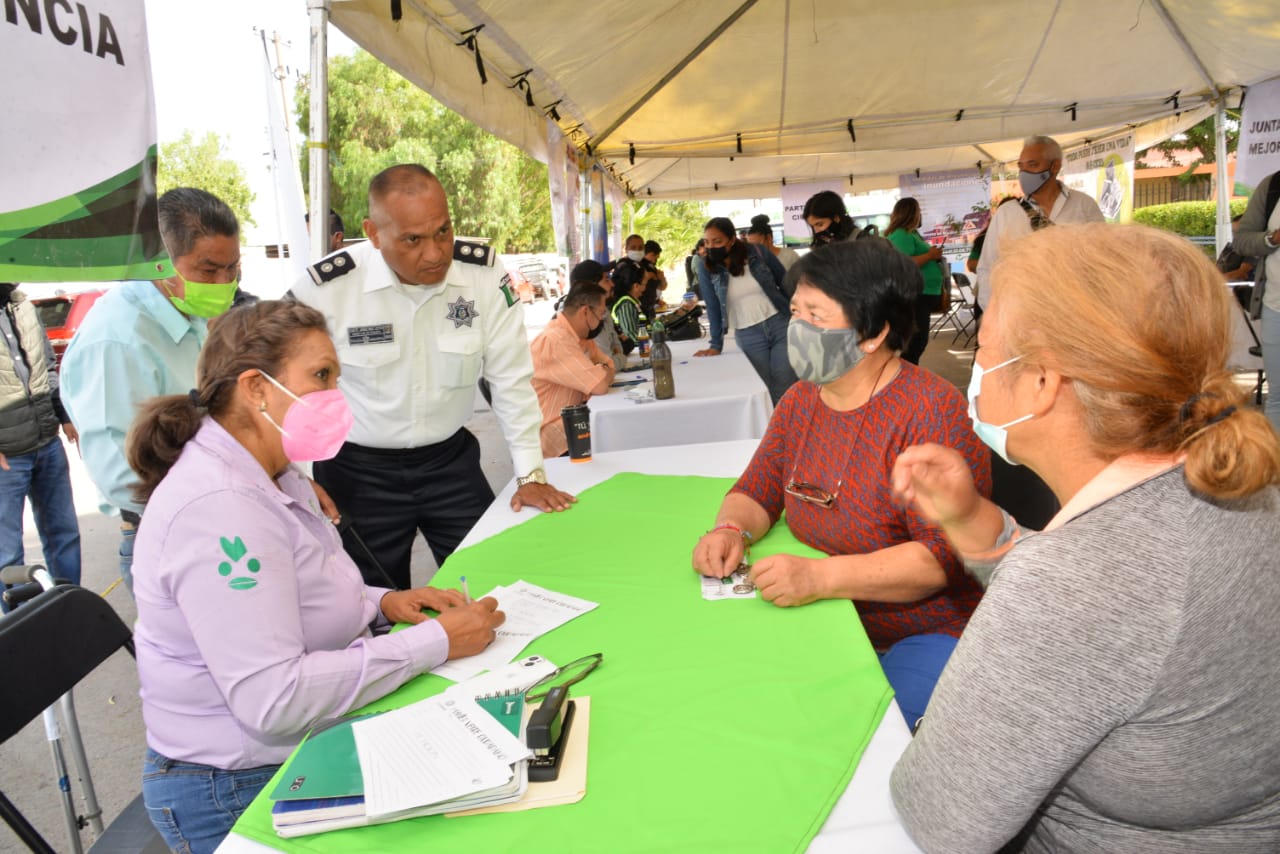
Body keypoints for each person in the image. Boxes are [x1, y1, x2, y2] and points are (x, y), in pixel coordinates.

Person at [889, 223, 1280, 852]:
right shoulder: (1240, 485)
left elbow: (940, 818)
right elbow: (1123, 636)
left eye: (985, 346)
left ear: (1042, 382)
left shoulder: (1077, 583)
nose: (977, 369)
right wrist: (971, 520)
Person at [128, 300, 505, 854]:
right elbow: (273, 699)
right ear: (256, 389)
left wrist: (385, 603)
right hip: (236, 785)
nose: (335, 396)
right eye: (321, 376)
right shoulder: (220, 508)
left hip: (292, 747)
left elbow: (298, 587)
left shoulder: (270, 469)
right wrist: (435, 642)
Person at [690, 239, 990, 726]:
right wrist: (731, 530)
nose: (797, 328)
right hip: (828, 617)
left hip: (923, 630)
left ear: (873, 333)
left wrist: (818, 578)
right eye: (794, 311)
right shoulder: (802, 400)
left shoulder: (929, 411)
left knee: (858, 733)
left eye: (816, 314)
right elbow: (757, 489)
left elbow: (940, 560)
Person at [290, 164, 574, 590]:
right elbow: (283, 392)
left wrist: (530, 474)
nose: (435, 253)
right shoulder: (327, 289)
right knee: (372, 605)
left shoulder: (481, 276)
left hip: (450, 466)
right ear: (373, 232)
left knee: (494, 585)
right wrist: (297, 479)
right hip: (358, 475)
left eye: (443, 231)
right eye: (412, 239)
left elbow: (511, 379)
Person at [61, 187, 244, 594]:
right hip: (172, 535)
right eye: (209, 270)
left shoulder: (190, 313)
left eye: (232, 268)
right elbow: (121, 474)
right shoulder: (119, 340)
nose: (224, 282)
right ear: (160, 264)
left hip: (220, 520)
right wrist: (216, 506)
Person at [0, 282, 81, 598]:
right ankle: (21, 628)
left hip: (47, 442)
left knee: (64, 535)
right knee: (7, 554)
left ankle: (68, 609)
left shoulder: (22, 306)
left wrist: (63, 415)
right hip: (8, 456)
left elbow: (47, 366)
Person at [975, 134, 1105, 311]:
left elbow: (1102, 262)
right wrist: (995, 312)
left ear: (1055, 166)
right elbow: (987, 268)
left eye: (1033, 165)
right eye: (1021, 166)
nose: (1024, 173)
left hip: (1075, 313)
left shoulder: (1083, 206)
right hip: (1022, 314)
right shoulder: (1007, 213)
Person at [693, 217, 797, 405]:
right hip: (748, 333)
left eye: (717, 241)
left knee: (786, 384)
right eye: (707, 242)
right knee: (763, 388)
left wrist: (802, 315)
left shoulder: (758, 252)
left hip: (780, 323)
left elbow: (786, 283)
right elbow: (712, 305)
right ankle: (773, 431)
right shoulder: (705, 266)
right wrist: (716, 344)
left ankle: (791, 431)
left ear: (732, 240)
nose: (711, 247)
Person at [530, 284, 616, 457]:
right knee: (619, 433)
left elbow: (610, 366)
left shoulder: (580, 338)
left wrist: (600, 370)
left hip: (575, 419)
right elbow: (600, 386)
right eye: (600, 315)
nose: (601, 321)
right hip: (554, 433)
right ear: (585, 311)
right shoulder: (557, 340)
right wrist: (601, 371)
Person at [1237, 169, 1280, 432]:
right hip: (1276, 306)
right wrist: (1272, 238)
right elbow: (1242, 241)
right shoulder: (1273, 186)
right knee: (1278, 396)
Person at [885, 197, 945, 365]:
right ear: (911, 213)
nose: (920, 215)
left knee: (918, 340)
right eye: (919, 211)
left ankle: (910, 372)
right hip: (915, 294)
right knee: (915, 341)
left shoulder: (911, 233)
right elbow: (903, 263)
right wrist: (930, 255)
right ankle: (907, 375)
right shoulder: (901, 234)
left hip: (922, 295)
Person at [570, 260, 626, 370]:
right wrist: (621, 358)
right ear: (591, 286)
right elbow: (607, 366)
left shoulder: (603, 310)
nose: (612, 284)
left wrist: (617, 357)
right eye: (606, 279)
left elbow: (618, 347)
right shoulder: (586, 317)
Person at [609, 261, 647, 355]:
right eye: (644, 284)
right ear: (636, 286)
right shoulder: (626, 305)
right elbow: (631, 335)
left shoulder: (633, 302)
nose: (645, 288)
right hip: (635, 353)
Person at [1217, 214, 1256, 283]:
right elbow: (1217, 267)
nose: (1235, 236)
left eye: (1239, 232)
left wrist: (1215, 280)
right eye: (1233, 232)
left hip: (1241, 290)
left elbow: (1241, 273)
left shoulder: (1252, 249)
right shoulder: (1229, 247)